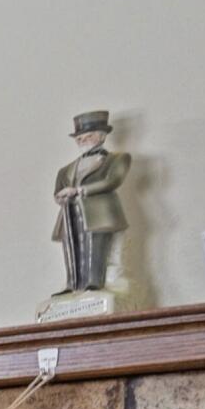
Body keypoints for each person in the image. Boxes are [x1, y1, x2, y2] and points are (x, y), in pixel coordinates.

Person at [52, 110, 129, 296]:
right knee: (71, 247)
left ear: (101, 137)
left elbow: (112, 181)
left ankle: (95, 282)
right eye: (80, 138)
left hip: (99, 212)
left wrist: (79, 191)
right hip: (70, 214)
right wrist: (61, 197)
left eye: (88, 137)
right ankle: (72, 283)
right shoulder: (66, 169)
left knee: (96, 245)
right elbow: (57, 191)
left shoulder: (117, 159)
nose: (83, 141)